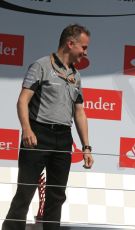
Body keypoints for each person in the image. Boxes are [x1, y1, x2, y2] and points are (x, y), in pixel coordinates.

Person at [2, 24, 94, 230]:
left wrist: (86, 146)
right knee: (25, 192)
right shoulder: (41, 66)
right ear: (70, 44)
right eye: (84, 47)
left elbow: (79, 112)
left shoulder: (75, 75)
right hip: (38, 134)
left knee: (57, 195)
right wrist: (26, 129)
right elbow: (22, 101)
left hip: (63, 139)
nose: (85, 52)